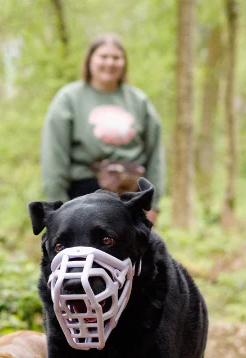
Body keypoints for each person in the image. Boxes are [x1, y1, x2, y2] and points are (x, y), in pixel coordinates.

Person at [40, 35, 165, 225]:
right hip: (83, 193)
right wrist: (57, 205)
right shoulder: (69, 99)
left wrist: (153, 204)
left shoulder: (139, 101)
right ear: (90, 60)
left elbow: (155, 155)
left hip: (132, 196)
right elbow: (54, 155)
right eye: (103, 57)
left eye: (116, 58)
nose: (110, 63)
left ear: (124, 63)